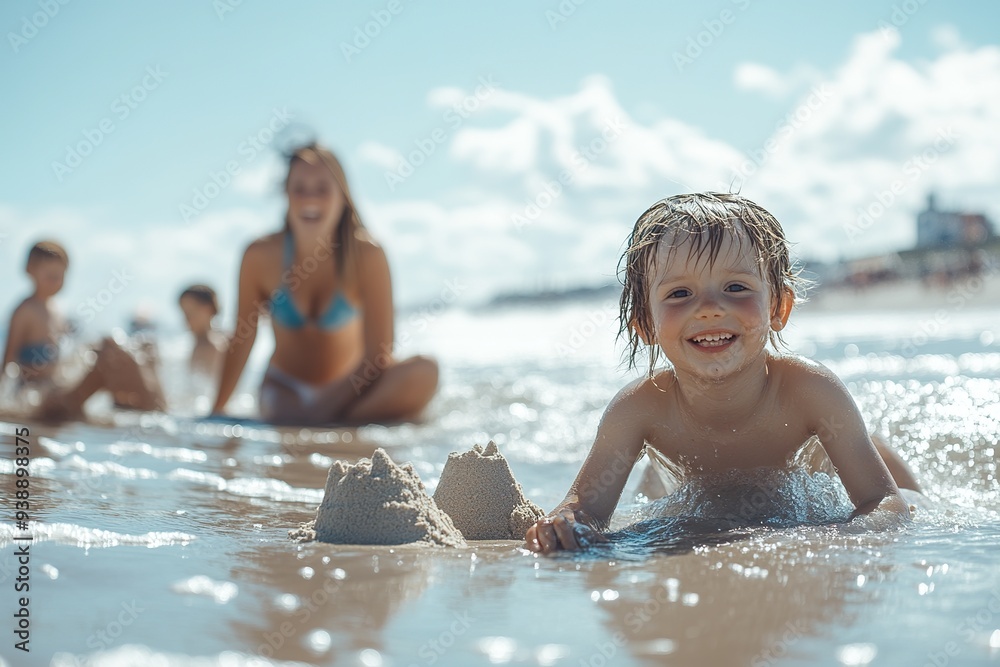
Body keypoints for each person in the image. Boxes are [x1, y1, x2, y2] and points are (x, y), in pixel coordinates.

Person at [525, 193, 920, 553]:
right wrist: (564, 525)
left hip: (827, 461)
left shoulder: (810, 391)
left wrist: (840, 539)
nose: (710, 308)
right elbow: (584, 510)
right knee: (656, 487)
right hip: (677, 482)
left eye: (735, 287)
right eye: (680, 294)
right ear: (644, 324)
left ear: (778, 308)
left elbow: (882, 503)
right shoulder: (638, 409)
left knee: (911, 494)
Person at [210, 143, 438, 425]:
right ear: (285, 194)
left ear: (343, 195)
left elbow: (378, 355)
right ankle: (340, 425)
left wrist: (323, 411)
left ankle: (329, 423)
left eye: (322, 188)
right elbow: (243, 336)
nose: (310, 199)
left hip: (350, 391)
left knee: (425, 371)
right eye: (299, 188)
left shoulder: (367, 254)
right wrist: (216, 411)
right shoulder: (260, 255)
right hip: (285, 390)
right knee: (285, 416)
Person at [2, 240, 165, 422]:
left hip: (56, 386)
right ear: (30, 270)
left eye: (60, 277)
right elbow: (8, 358)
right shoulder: (25, 311)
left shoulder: (56, 310)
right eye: (50, 276)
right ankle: (154, 413)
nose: (56, 282)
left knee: (127, 347)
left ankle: (146, 407)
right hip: (38, 395)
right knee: (110, 354)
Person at [179, 284, 227, 376]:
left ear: (208, 310)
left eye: (190, 312)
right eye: (184, 313)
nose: (187, 319)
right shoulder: (199, 342)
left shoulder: (213, 345)